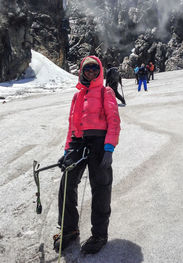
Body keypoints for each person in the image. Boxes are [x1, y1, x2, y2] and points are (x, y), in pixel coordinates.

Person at [54, 56, 121, 255]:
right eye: (87, 69)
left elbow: (114, 121)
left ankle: (99, 234)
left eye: (94, 68)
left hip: (99, 143)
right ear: (82, 72)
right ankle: (69, 229)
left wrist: (109, 148)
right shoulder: (77, 96)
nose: (90, 71)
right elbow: (72, 126)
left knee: (100, 187)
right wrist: (67, 150)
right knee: (67, 184)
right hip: (78, 142)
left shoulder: (105, 91)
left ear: (99, 71)